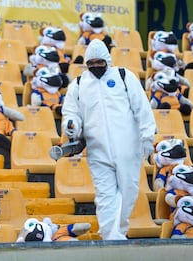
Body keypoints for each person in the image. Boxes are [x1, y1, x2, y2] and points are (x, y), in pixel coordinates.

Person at [61, 39, 157, 240]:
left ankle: (118, 232)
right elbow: (71, 113)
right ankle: (110, 237)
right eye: (91, 63)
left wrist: (147, 137)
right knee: (105, 197)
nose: (96, 67)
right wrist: (71, 125)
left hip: (128, 149)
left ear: (107, 60)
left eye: (99, 62)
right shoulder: (79, 84)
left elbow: (142, 107)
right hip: (97, 151)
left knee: (128, 193)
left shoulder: (123, 76)